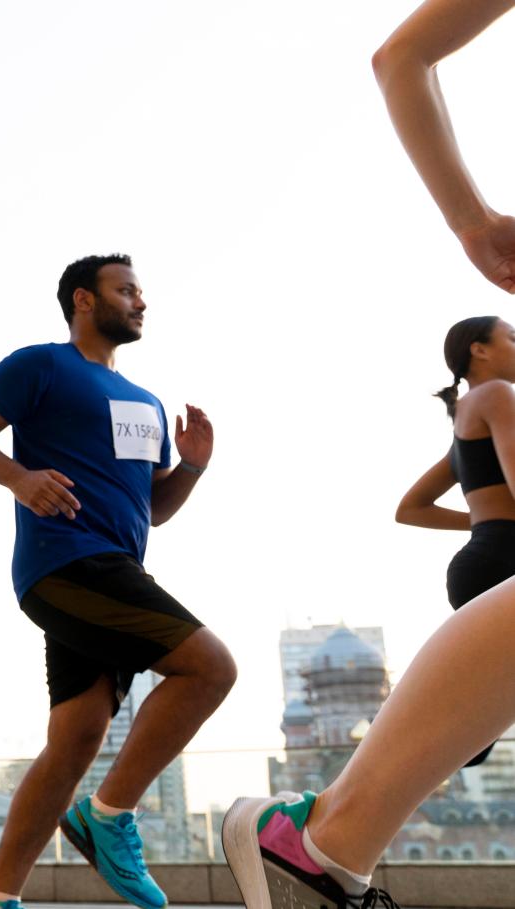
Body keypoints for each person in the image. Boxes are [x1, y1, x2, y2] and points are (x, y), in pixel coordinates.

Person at [219, 4, 515, 907]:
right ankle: (324, 832)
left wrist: (471, 221)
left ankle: (323, 834)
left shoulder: (481, 400)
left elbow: (405, 56)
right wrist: (470, 221)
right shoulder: (496, 399)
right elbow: (400, 56)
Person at [0, 253, 237, 909]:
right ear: (84, 300)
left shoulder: (147, 403)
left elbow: (153, 507)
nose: (140, 301)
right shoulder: (41, 364)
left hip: (117, 569)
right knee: (211, 668)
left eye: (141, 291)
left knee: (75, 739)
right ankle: (109, 815)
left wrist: (190, 468)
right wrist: (20, 478)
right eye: (126, 289)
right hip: (65, 562)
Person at [397, 315, 515, 767]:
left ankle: (398, 745)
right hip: (504, 560)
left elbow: (410, 508)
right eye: (512, 337)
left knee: (474, 731)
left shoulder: (465, 422)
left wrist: (483, 521)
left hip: (484, 559)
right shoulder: (495, 394)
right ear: (479, 350)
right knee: (477, 718)